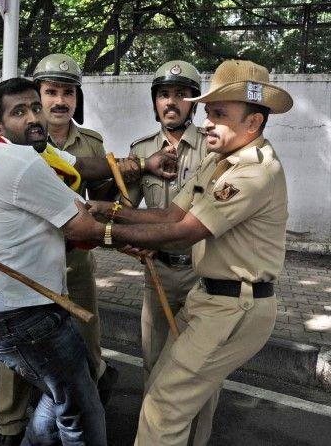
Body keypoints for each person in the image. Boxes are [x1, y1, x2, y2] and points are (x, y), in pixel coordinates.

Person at [87, 59, 291, 446]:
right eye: (209, 112)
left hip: (234, 307)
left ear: (253, 124)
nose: (208, 122)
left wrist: (101, 232)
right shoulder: (218, 160)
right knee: (161, 393)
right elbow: (169, 213)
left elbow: (182, 234)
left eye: (220, 115)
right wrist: (111, 210)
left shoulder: (253, 171)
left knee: (165, 408)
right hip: (209, 297)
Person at [0, 77, 144, 445]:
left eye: (34, 108)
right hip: (26, 315)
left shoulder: (31, 153)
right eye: (19, 112)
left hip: (23, 307)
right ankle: (12, 427)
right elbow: (84, 225)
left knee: (62, 396)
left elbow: (87, 168)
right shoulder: (21, 161)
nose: (34, 118)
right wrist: (143, 233)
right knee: (83, 412)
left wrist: (140, 164)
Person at [126, 61, 214, 445]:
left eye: (181, 94)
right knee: (156, 366)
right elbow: (128, 209)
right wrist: (127, 237)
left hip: (203, 276)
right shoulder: (140, 150)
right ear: (155, 102)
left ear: (193, 102)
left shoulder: (214, 150)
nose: (172, 102)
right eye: (164, 94)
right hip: (156, 273)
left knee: (201, 372)